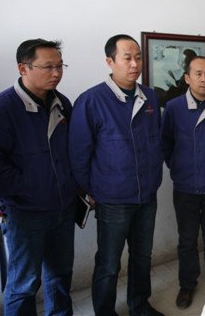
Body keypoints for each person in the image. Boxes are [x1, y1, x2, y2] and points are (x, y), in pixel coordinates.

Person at [69, 34, 164, 316]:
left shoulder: (149, 96)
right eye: (127, 58)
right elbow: (79, 154)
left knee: (142, 257)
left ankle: (139, 306)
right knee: (109, 263)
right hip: (112, 199)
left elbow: (156, 140)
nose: (135, 64)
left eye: (138, 58)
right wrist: (93, 190)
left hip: (147, 195)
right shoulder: (91, 100)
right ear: (109, 62)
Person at [0, 39, 77, 315]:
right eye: (48, 67)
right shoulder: (3, 108)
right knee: (24, 284)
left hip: (63, 209)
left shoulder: (62, 103)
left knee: (60, 276)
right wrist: (32, 188)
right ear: (23, 68)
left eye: (60, 66)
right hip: (25, 213)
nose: (56, 73)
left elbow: (71, 151)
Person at [162, 56, 205, 309]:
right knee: (187, 239)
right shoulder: (174, 107)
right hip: (185, 187)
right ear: (187, 78)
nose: (204, 79)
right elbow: (165, 142)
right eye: (198, 74)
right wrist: (178, 166)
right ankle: (187, 284)